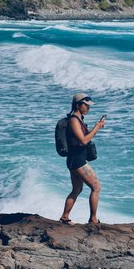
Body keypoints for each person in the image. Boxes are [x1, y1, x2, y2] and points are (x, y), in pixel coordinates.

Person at [59, 93, 106, 225]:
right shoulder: (74, 120)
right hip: (77, 160)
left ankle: (65, 217)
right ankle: (93, 219)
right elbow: (84, 140)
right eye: (86, 105)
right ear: (78, 105)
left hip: (76, 160)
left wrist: (97, 127)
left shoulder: (79, 120)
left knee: (77, 189)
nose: (88, 108)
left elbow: (84, 139)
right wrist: (96, 127)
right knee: (96, 186)